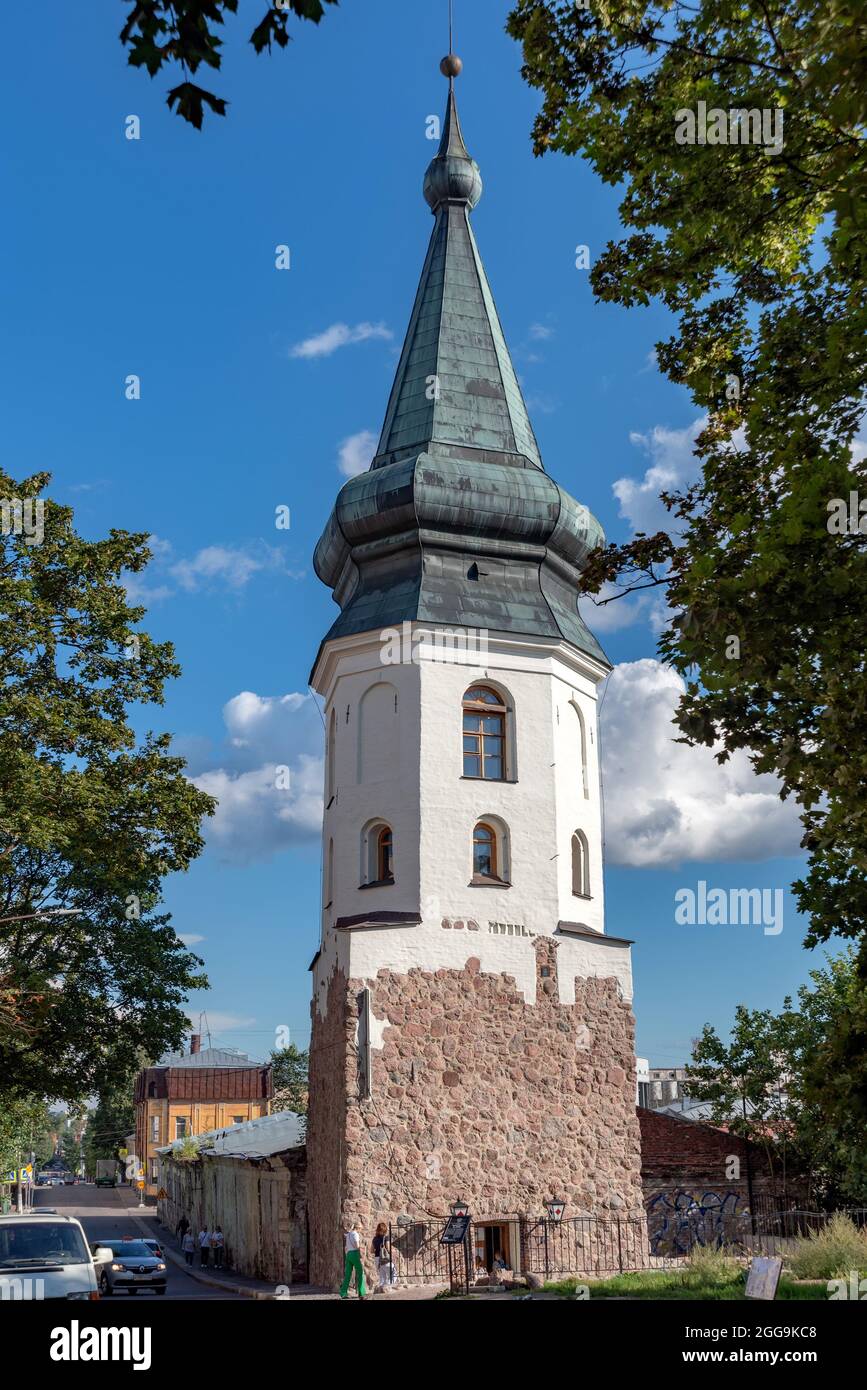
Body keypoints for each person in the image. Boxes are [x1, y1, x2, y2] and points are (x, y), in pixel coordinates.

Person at [339, 1222, 366, 1299]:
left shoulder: (349, 1234)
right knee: (360, 1273)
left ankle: (343, 1293)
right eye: (360, 1229)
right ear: (358, 1228)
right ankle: (361, 1293)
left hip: (348, 1254)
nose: (361, 1230)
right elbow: (356, 1246)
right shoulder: (355, 1234)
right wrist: (360, 1252)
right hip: (354, 1253)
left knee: (347, 1275)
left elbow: (347, 1246)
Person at [371, 1223, 395, 1293]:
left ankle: (381, 1291)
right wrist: (392, 1251)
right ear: (385, 1229)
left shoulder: (374, 1239)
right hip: (385, 1259)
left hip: (377, 1259)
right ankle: (388, 1288)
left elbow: (371, 1250)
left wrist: (378, 1249)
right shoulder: (386, 1237)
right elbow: (388, 1248)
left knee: (382, 1277)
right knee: (393, 1272)